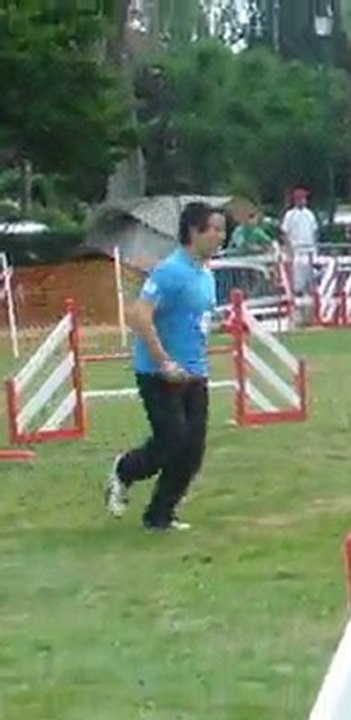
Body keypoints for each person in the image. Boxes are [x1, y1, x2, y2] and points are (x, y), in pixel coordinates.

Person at [104, 201, 225, 532]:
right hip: (158, 373)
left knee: (192, 451)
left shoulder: (206, 274)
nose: (220, 236)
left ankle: (160, 515)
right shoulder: (171, 270)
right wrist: (163, 361)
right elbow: (140, 314)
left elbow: (196, 317)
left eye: (221, 229)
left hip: (194, 372)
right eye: (214, 229)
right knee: (171, 441)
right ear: (193, 232)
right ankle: (125, 470)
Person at [279, 187, 319, 295]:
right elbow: (284, 233)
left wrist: (315, 247)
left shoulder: (310, 214)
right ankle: (297, 296)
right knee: (297, 279)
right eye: (300, 199)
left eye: (304, 199)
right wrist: (289, 249)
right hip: (296, 251)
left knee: (311, 276)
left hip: (309, 250)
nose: (303, 201)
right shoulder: (290, 215)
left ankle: (311, 296)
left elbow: (314, 232)